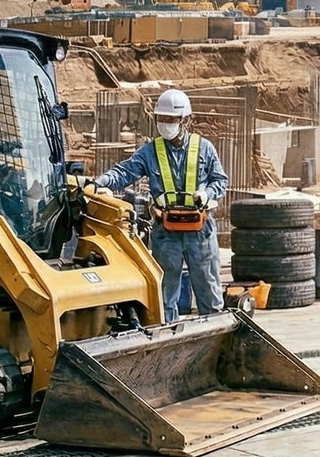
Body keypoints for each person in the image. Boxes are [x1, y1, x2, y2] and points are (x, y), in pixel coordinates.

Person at [93, 88, 228, 323]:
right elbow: (125, 172)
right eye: (161, 118)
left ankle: (214, 334)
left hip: (200, 233)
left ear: (185, 120)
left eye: (171, 119)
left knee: (209, 293)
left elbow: (220, 181)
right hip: (167, 233)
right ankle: (168, 335)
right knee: (164, 297)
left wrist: (206, 194)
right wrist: (101, 182)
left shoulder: (204, 148)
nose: (165, 124)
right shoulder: (151, 151)